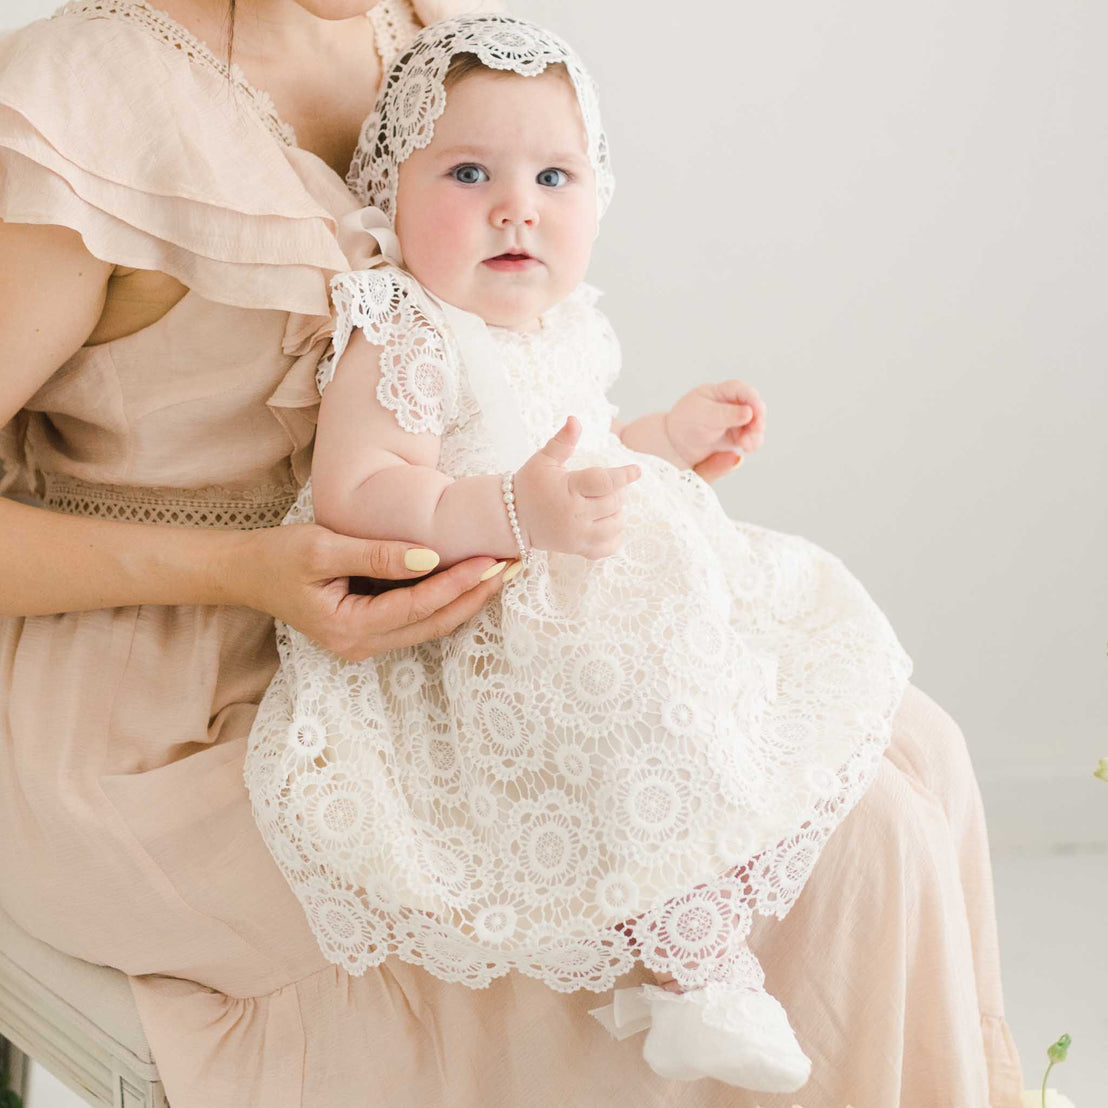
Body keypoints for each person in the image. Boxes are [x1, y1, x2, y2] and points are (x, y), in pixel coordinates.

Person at [0, 0, 1025, 1105]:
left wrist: (624, 462)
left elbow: (513, 358)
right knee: (850, 854)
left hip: (440, 637)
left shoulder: (435, 29)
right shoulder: (85, 97)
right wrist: (246, 569)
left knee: (908, 750)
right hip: (170, 701)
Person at [244, 14, 915, 1095]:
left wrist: (668, 440)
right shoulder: (404, 324)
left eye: (554, 176)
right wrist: (512, 509)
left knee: (720, 675)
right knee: (623, 701)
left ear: (596, 198)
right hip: (478, 617)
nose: (516, 206)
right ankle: (694, 968)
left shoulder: (562, 326)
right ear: (390, 193)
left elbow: (583, 450)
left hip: (589, 579)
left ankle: (725, 925)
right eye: (469, 172)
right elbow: (357, 490)